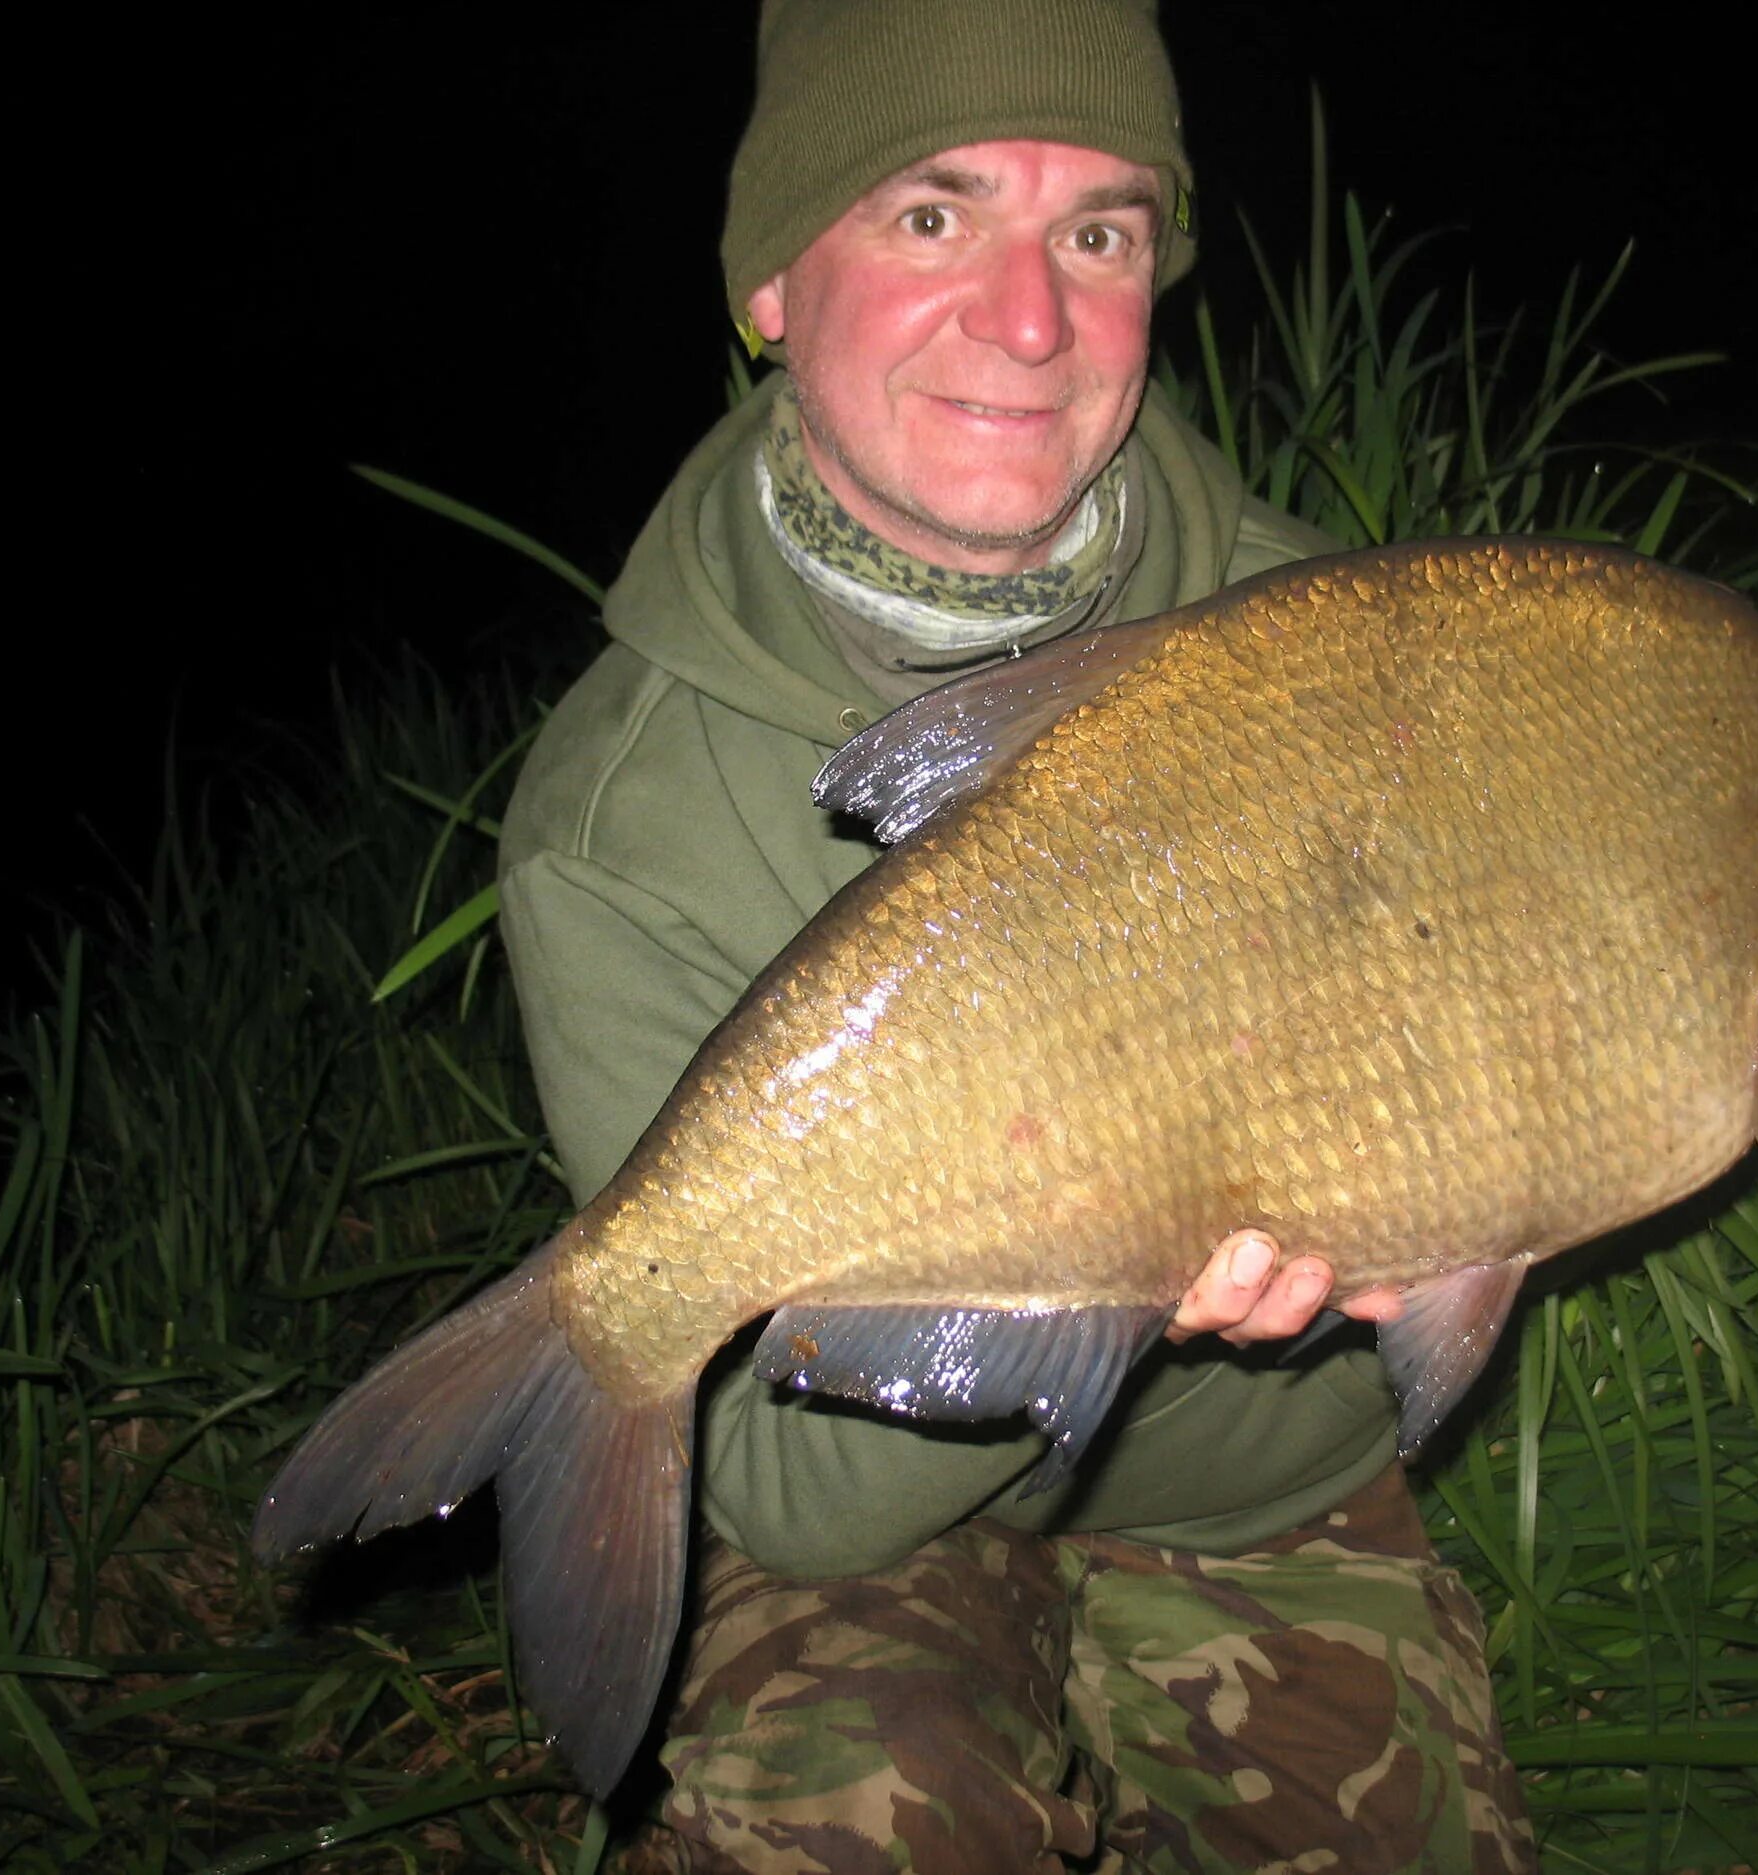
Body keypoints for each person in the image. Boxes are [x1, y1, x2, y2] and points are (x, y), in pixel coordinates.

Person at [497, 2, 1538, 1868]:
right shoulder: (612, 823)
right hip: (868, 1516)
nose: (1032, 317)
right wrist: (1110, 1249)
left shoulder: (1366, 646)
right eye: (930, 216)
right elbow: (801, 1499)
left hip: (1260, 1489)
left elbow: (1516, 1055)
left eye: (1100, 233)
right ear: (766, 283)